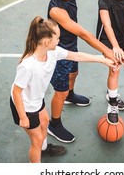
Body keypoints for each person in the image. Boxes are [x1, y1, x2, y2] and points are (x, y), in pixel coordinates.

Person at [10, 16, 116, 163]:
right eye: (57, 38)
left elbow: (76, 55)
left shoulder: (53, 52)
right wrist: (22, 116)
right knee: (37, 140)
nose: (59, 40)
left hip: (36, 99)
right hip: (25, 105)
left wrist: (103, 60)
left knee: (45, 121)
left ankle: (44, 149)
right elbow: (16, 91)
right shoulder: (28, 65)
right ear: (47, 42)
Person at [47, 0, 118, 143]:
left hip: (70, 45)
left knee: (74, 73)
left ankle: (70, 95)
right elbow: (83, 33)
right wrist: (107, 51)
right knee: (59, 92)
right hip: (59, 53)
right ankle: (54, 124)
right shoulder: (56, 10)